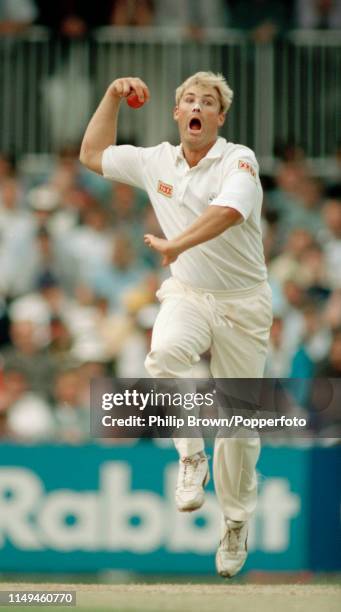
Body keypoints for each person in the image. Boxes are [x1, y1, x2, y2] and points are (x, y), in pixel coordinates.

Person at [80, 71, 273, 577]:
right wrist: (112, 96)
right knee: (164, 353)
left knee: (239, 423)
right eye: (189, 99)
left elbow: (229, 211)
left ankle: (235, 523)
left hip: (243, 304)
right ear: (176, 112)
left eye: (207, 102)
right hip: (188, 292)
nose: (197, 106)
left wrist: (175, 245)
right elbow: (92, 155)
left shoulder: (239, 158)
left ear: (218, 117)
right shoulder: (155, 160)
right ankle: (191, 456)